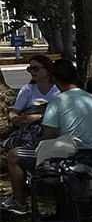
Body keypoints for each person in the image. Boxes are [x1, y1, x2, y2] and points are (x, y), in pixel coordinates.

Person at [2, 55, 61, 213]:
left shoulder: (57, 90)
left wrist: (38, 117)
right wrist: (15, 118)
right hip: (28, 129)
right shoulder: (28, 90)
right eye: (30, 68)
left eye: (35, 68)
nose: (31, 72)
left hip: (51, 130)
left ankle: (21, 195)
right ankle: (20, 196)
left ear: (47, 70)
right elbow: (15, 112)